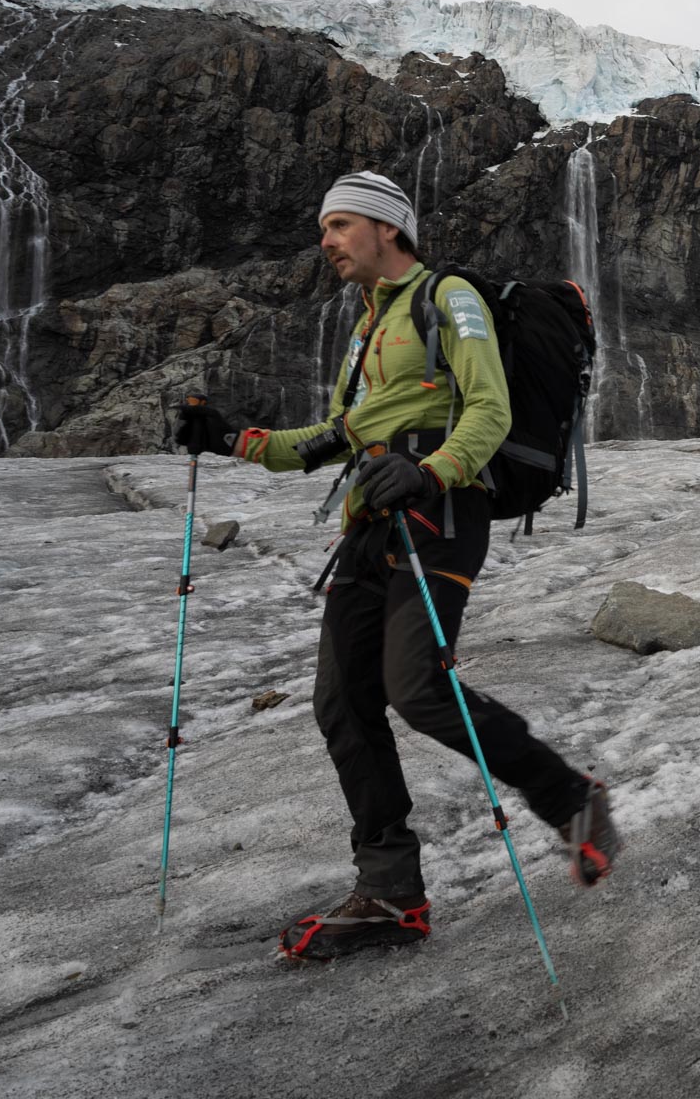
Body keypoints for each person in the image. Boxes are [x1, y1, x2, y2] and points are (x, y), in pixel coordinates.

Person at [174, 171, 618, 962]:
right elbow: (326, 440)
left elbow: (490, 410)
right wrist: (230, 437)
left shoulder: (448, 298)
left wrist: (431, 472)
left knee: (416, 688)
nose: (327, 242)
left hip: (440, 515)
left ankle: (570, 799)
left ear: (388, 228)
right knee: (343, 704)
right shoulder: (368, 330)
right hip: (371, 527)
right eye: (324, 228)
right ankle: (389, 893)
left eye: (340, 225)